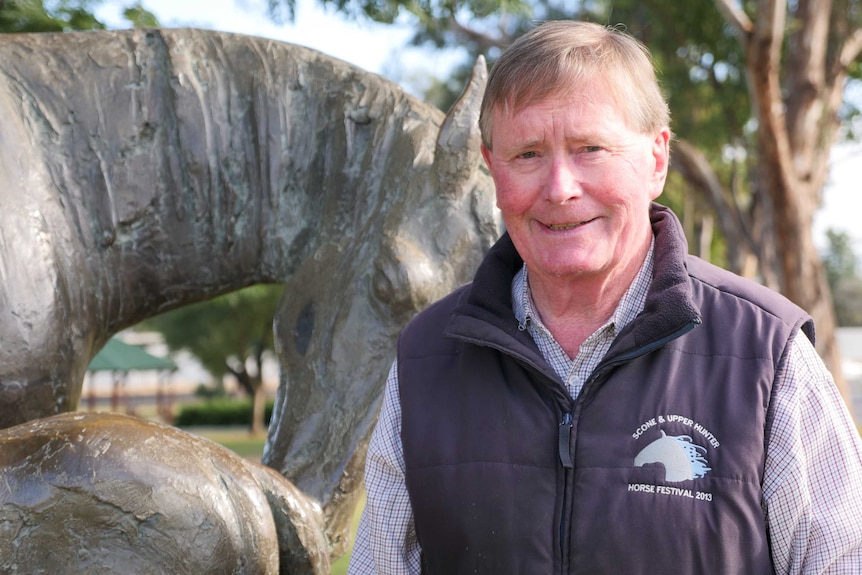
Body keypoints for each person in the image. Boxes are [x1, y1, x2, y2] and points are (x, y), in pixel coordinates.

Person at [348, 20, 862, 574]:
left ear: (657, 161)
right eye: (527, 155)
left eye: (590, 148)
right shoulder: (425, 362)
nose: (560, 188)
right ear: (492, 170)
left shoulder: (767, 355)